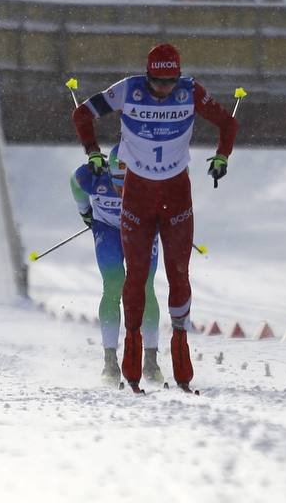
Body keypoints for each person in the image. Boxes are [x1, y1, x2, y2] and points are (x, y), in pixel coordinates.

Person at [71, 43, 239, 392]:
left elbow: (228, 122)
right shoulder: (128, 89)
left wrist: (222, 157)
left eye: (170, 82)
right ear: (147, 76)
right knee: (135, 278)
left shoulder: (190, 90)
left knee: (179, 273)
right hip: (138, 195)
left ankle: (179, 345)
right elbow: (82, 114)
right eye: (157, 83)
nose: (164, 90)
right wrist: (93, 153)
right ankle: (131, 352)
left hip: (177, 194)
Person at [71, 145, 161, 383]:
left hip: (142, 229)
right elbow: (75, 181)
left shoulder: (151, 177)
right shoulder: (93, 177)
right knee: (113, 285)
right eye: (117, 183)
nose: (121, 190)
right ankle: (110, 362)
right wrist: (85, 212)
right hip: (108, 230)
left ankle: (150, 361)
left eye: (128, 184)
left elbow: (181, 180)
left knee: (144, 288)